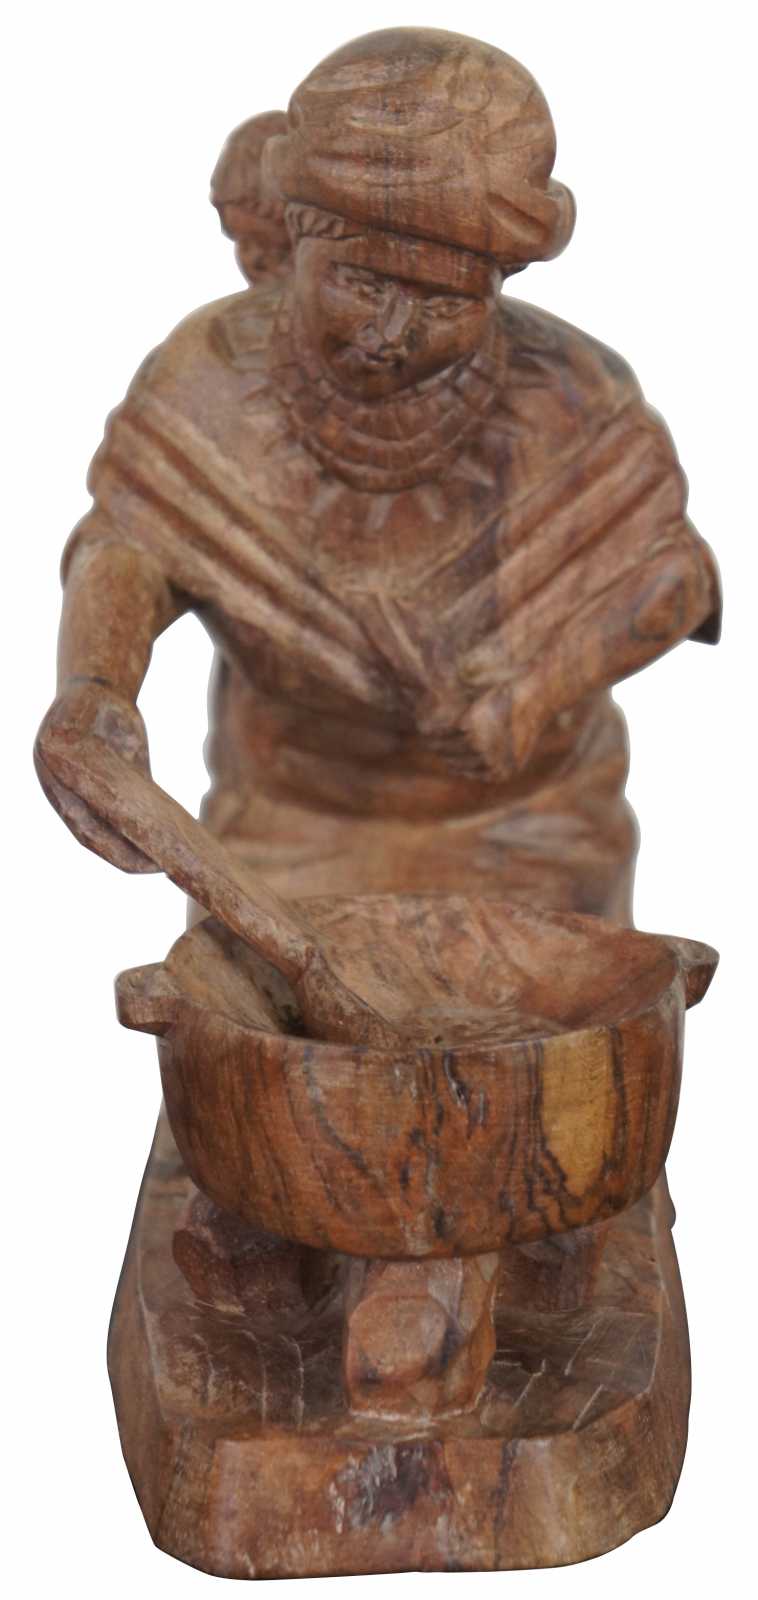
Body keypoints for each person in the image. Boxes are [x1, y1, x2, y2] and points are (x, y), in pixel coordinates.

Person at [36, 27, 720, 922]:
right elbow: (131, 545)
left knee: (559, 989)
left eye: (442, 302)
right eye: (360, 282)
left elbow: (672, 580)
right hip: (284, 828)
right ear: (299, 243)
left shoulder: (570, 395)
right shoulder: (211, 373)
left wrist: (529, 697)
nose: (391, 334)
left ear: (496, 286)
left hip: (529, 827)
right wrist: (95, 688)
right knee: (260, 991)